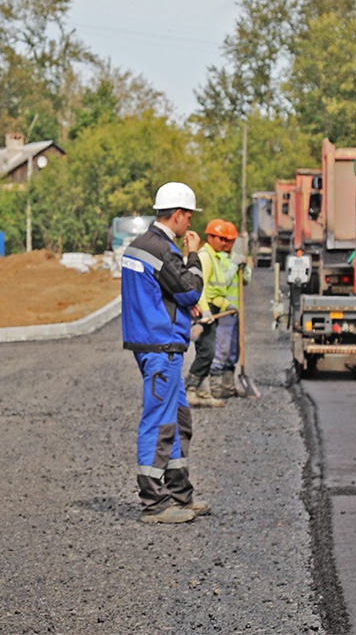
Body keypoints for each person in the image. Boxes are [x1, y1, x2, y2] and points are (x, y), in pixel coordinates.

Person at [120, 181, 212, 524]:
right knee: (159, 421)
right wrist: (193, 256)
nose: (190, 224)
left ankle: (178, 494)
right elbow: (189, 290)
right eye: (188, 217)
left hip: (154, 342)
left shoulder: (139, 245)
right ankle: (154, 504)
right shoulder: (162, 249)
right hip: (161, 346)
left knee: (178, 418)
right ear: (177, 214)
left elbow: (162, 293)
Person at [184, 221, 236, 409]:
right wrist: (204, 310)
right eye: (220, 238)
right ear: (210, 238)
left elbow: (215, 290)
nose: (224, 242)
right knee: (207, 352)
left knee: (206, 350)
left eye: (225, 239)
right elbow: (201, 287)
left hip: (212, 309)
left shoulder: (215, 257)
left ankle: (199, 389)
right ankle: (190, 389)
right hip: (204, 311)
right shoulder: (205, 256)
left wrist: (225, 304)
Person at [206, 220, 251, 399]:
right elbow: (223, 281)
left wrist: (245, 268)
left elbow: (246, 281)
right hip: (223, 311)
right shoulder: (219, 259)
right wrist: (234, 265)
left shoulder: (235, 258)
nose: (228, 244)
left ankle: (228, 385)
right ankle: (216, 387)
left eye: (231, 240)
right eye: (225, 239)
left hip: (235, 311)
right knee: (222, 348)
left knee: (234, 349)